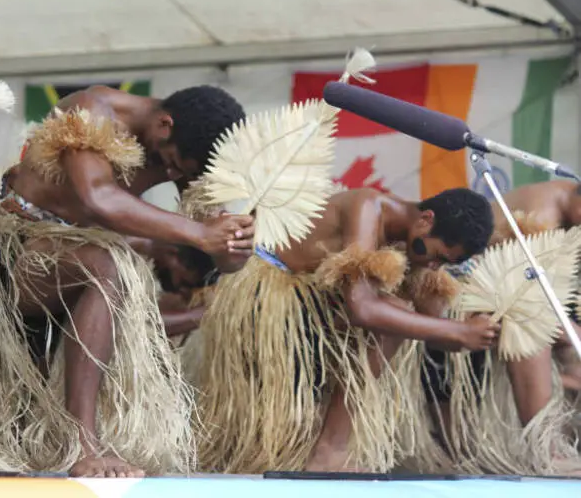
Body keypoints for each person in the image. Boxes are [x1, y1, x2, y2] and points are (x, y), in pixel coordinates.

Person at [0, 84, 253, 477]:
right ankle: (83, 446)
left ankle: (84, 438)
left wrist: (230, 249)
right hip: (17, 256)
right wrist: (201, 234)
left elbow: (211, 240)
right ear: (165, 125)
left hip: (81, 272)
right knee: (108, 263)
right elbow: (99, 197)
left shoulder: (187, 153)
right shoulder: (92, 110)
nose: (176, 175)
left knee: (107, 265)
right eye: (176, 164)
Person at [179, 185, 497, 473]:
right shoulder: (369, 206)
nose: (433, 267)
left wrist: (469, 330)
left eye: (444, 264)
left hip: (314, 306)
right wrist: (454, 331)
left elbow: (437, 326)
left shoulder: (416, 246)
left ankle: (320, 445)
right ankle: (330, 450)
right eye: (437, 256)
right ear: (426, 219)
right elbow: (362, 307)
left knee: (397, 315)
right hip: (270, 294)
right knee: (391, 315)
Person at [413, 179, 581, 475]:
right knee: (531, 323)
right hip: (456, 282)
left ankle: (562, 441)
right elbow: (527, 293)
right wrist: (571, 335)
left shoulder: (567, 201)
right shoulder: (541, 214)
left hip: (500, 288)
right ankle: (543, 448)